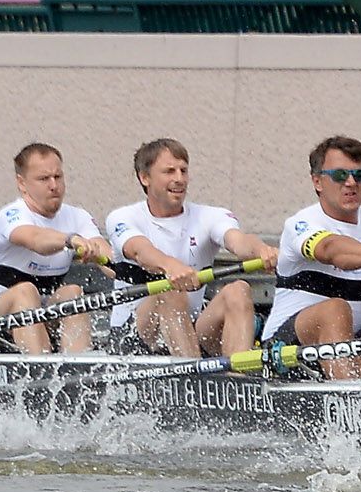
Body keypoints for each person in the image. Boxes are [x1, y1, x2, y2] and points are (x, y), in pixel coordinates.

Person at [263, 136, 361, 379]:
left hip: (353, 345)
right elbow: (331, 250)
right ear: (317, 181)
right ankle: (352, 404)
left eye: (359, 175)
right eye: (340, 175)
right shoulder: (301, 223)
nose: (351, 183)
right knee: (334, 309)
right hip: (287, 352)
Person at [104, 137, 277, 356]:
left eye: (183, 171)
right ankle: (193, 378)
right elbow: (139, 250)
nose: (179, 179)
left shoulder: (209, 215)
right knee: (169, 291)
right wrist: (169, 265)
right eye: (169, 171)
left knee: (239, 289)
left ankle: (238, 379)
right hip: (133, 336)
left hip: (189, 328)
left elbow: (239, 241)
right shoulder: (123, 217)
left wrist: (261, 250)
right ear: (144, 177)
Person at [0, 142, 107, 353]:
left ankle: (80, 371)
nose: (54, 185)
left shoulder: (77, 217)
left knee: (71, 293)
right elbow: (36, 240)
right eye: (43, 179)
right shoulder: (11, 216)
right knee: (25, 293)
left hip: (35, 326)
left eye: (58, 177)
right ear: (22, 183)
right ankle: (40, 373)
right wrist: (72, 240)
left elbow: (109, 257)